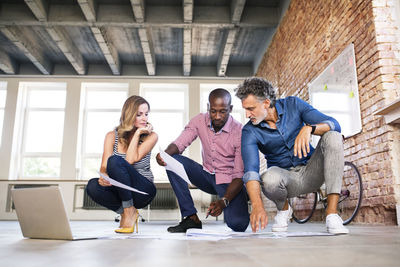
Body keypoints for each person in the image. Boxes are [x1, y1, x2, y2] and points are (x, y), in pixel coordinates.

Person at [235, 77, 349, 234]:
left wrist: (309, 128)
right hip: (286, 181)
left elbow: (334, 124)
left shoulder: (293, 105)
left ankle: (332, 214)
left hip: (312, 171)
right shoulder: (249, 131)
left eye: (251, 108)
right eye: (245, 109)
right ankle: (284, 210)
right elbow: (251, 171)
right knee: (268, 178)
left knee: (333, 135)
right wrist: (257, 205)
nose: (247, 115)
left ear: (266, 103)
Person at [156, 88, 250, 233]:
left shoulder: (240, 131)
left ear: (230, 109)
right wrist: (165, 155)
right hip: (206, 176)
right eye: (213, 111)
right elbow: (180, 143)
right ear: (208, 108)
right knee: (172, 160)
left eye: (223, 111)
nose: (217, 116)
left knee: (238, 225)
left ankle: (237, 201)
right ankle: (191, 217)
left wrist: (224, 202)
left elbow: (238, 175)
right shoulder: (199, 120)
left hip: (229, 181)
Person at [86, 95, 157, 234]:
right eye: (139, 114)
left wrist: (137, 134)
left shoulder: (151, 136)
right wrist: (104, 176)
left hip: (142, 191)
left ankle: (129, 211)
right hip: (122, 191)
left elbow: (130, 160)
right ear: (129, 115)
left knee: (116, 161)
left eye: (146, 114)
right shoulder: (112, 136)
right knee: (92, 186)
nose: (144, 118)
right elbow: (104, 165)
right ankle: (127, 211)